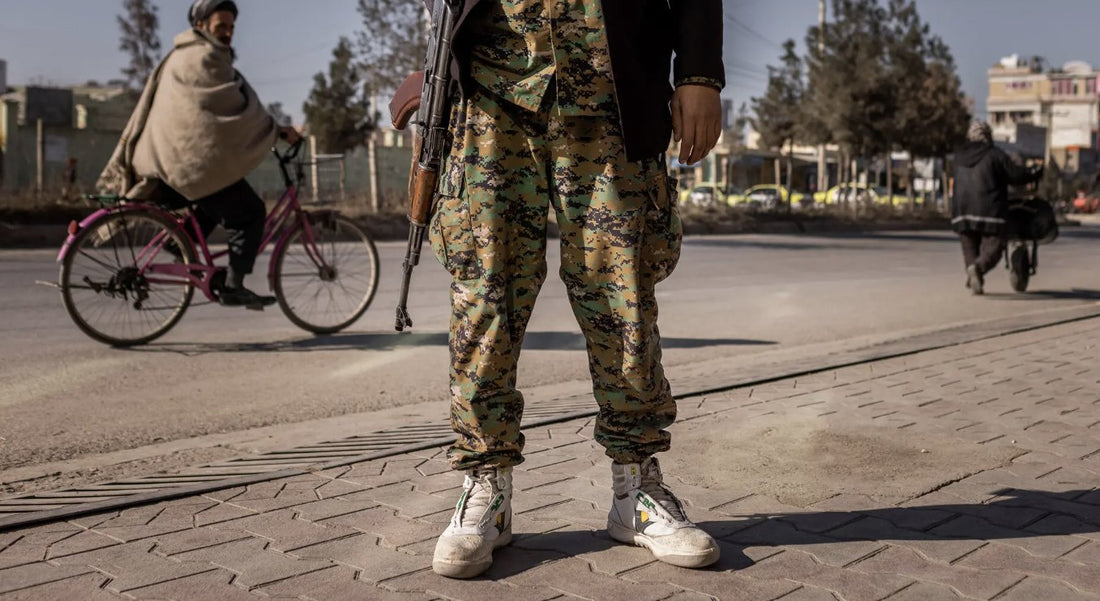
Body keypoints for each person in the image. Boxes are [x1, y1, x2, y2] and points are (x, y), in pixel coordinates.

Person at [427, 0, 725, 579]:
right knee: (485, 295)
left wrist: (698, 73)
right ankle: (487, 486)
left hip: (612, 85)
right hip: (491, 90)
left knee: (624, 298)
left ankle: (636, 488)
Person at [98, 0, 300, 308]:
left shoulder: (182, 56)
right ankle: (234, 285)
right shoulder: (204, 57)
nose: (228, 33)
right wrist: (275, 130)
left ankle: (180, 244)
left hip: (167, 164)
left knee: (214, 195)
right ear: (201, 26)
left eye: (231, 27)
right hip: (184, 165)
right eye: (221, 26)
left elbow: (208, 118)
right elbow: (232, 108)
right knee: (249, 212)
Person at [951, 120, 1041, 295]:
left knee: (969, 246)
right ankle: (977, 269)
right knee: (995, 247)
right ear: (988, 136)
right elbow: (1015, 175)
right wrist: (1033, 172)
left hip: (961, 211)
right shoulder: (995, 155)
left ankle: (973, 272)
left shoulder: (959, 156)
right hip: (989, 209)